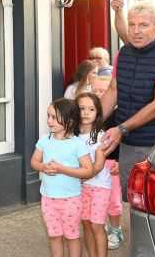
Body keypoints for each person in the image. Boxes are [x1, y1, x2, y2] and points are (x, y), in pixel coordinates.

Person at [100, 0, 155, 199]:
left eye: (143, 25)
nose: (135, 30)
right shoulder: (123, 53)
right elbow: (113, 91)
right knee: (133, 199)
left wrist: (122, 128)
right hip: (129, 142)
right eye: (132, 24)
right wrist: (90, 125)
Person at [31, 98, 94, 257]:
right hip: (48, 198)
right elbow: (34, 161)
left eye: (53, 117)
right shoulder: (45, 140)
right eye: (48, 116)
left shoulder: (77, 144)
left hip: (71, 199)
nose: (49, 120)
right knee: (54, 235)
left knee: (71, 236)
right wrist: (43, 168)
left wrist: (62, 169)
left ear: (69, 121)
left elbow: (88, 170)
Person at [91, 76, 124, 250]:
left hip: (112, 165)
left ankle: (116, 229)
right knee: (94, 198)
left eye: (101, 90)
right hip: (93, 166)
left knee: (113, 200)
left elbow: (125, 139)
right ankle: (99, 224)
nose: (97, 94)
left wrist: (120, 160)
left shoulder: (120, 115)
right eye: (94, 90)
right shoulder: (89, 115)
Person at [75, 93, 110, 257]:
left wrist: (79, 178)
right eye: (82, 109)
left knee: (97, 225)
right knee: (86, 224)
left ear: (97, 113)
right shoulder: (72, 137)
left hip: (99, 186)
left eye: (91, 109)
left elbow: (97, 166)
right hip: (80, 187)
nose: (86, 113)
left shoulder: (100, 137)